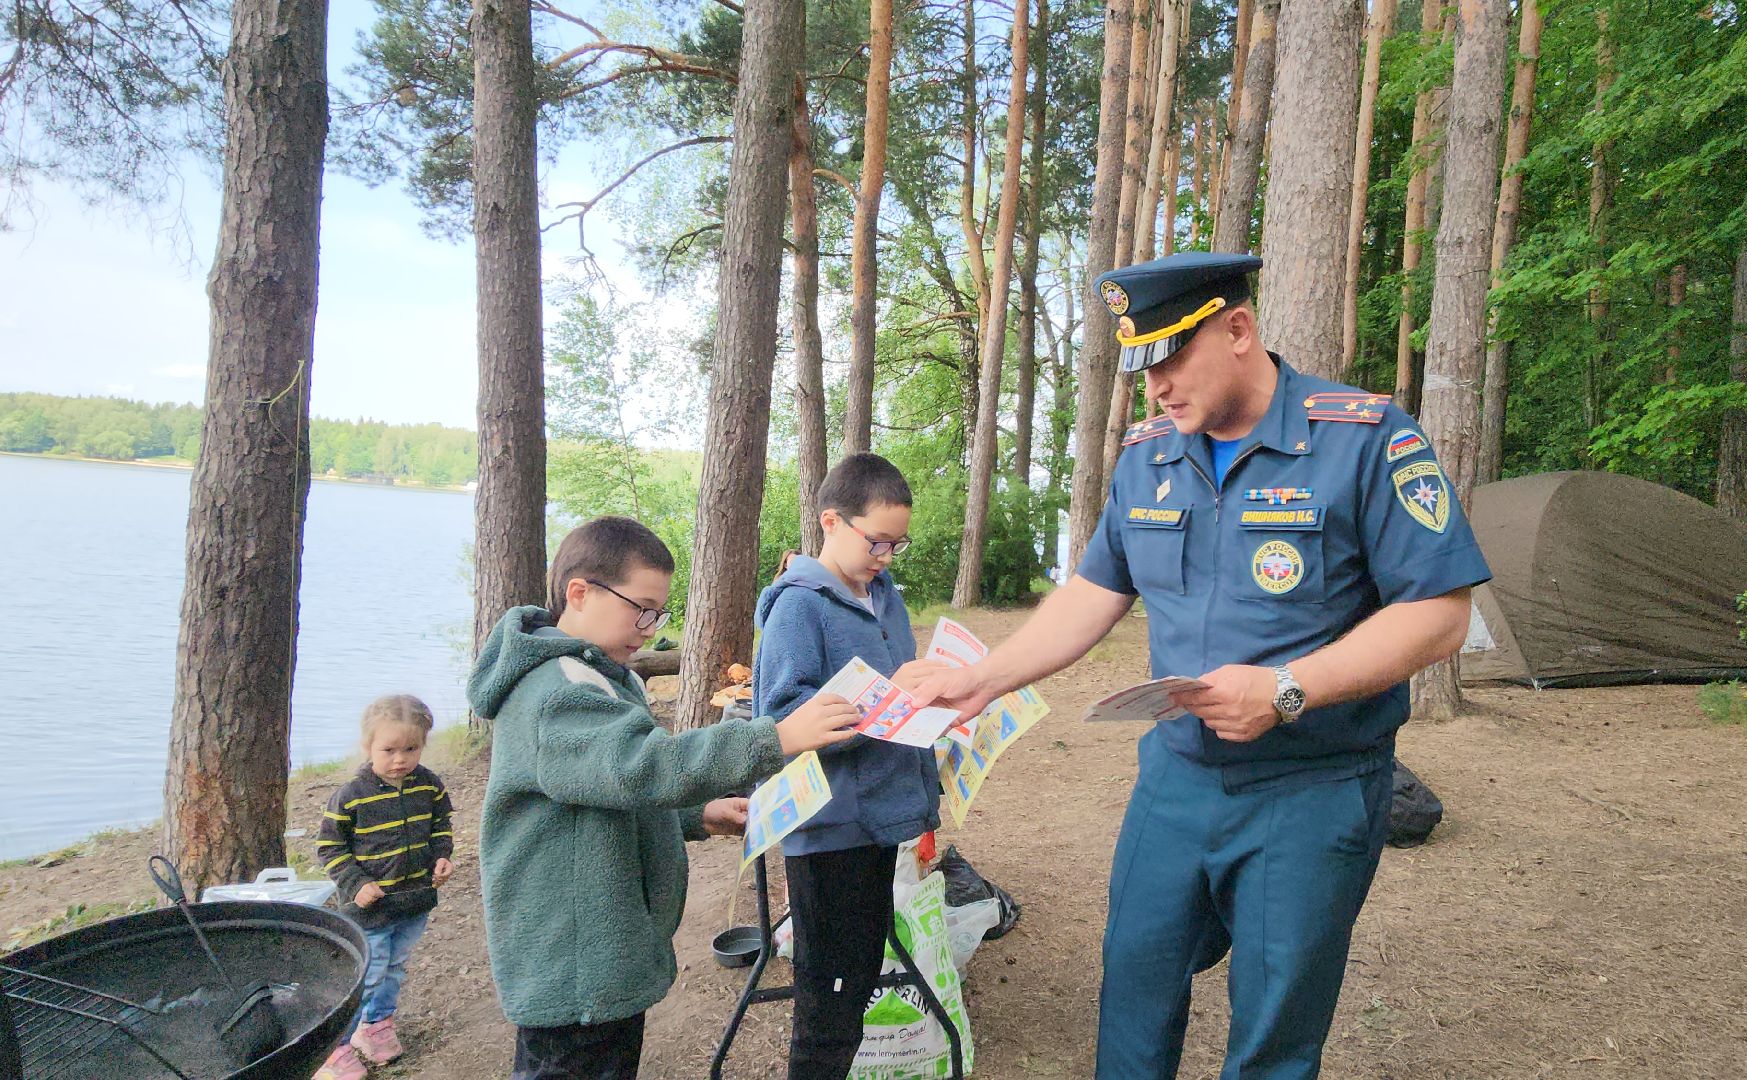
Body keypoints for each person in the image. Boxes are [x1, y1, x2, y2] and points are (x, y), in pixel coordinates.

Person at [895, 252, 1491, 1079]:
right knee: (1133, 997)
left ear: (1238, 329)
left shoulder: (1363, 437)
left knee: (1274, 1035)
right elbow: (1094, 592)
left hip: (1312, 788)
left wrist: (1289, 689)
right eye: (1144, 369)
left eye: (1173, 358)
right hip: (1175, 782)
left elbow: (1440, 613)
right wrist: (984, 676)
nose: (1158, 388)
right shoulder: (1149, 455)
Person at [468, 515, 861, 1080]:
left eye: (659, 613)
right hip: (573, 962)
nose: (651, 628)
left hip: (603, 953)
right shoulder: (556, 692)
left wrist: (695, 813)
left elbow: (604, 785)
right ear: (579, 592)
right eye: (641, 609)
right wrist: (776, 737)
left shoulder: (603, 675)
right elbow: (641, 767)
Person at [753, 453, 935, 1080]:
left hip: (879, 820)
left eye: (896, 544)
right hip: (829, 831)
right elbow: (780, 716)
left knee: (856, 981)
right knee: (828, 1001)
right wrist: (879, 707)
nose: (886, 556)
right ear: (832, 521)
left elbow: (897, 686)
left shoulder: (885, 596)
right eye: (876, 541)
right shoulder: (798, 607)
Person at [312, 695, 456, 1080]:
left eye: (411, 748)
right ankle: (332, 1048)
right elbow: (329, 846)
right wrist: (355, 883)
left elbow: (441, 824)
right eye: (388, 749)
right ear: (368, 746)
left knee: (395, 967)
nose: (400, 759)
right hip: (370, 907)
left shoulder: (429, 786)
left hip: (413, 900)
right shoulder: (350, 796)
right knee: (369, 972)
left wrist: (441, 856)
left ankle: (375, 1027)